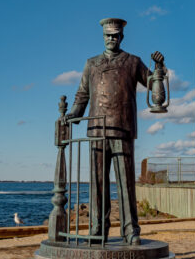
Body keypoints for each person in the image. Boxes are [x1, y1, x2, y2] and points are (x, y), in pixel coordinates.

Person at [64, 18, 166, 245]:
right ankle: (97, 229)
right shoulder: (91, 64)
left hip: (123, 128)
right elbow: (82, 94)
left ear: (121, 37)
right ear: (103, 37)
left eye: (115, 35)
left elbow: (154, 86)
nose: (111, 38)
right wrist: (73, 114)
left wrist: (159, 69)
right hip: (97, 130)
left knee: (126, 184)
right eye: (108, 35)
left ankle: (130, 231)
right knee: (97, 184)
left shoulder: (133, 62)